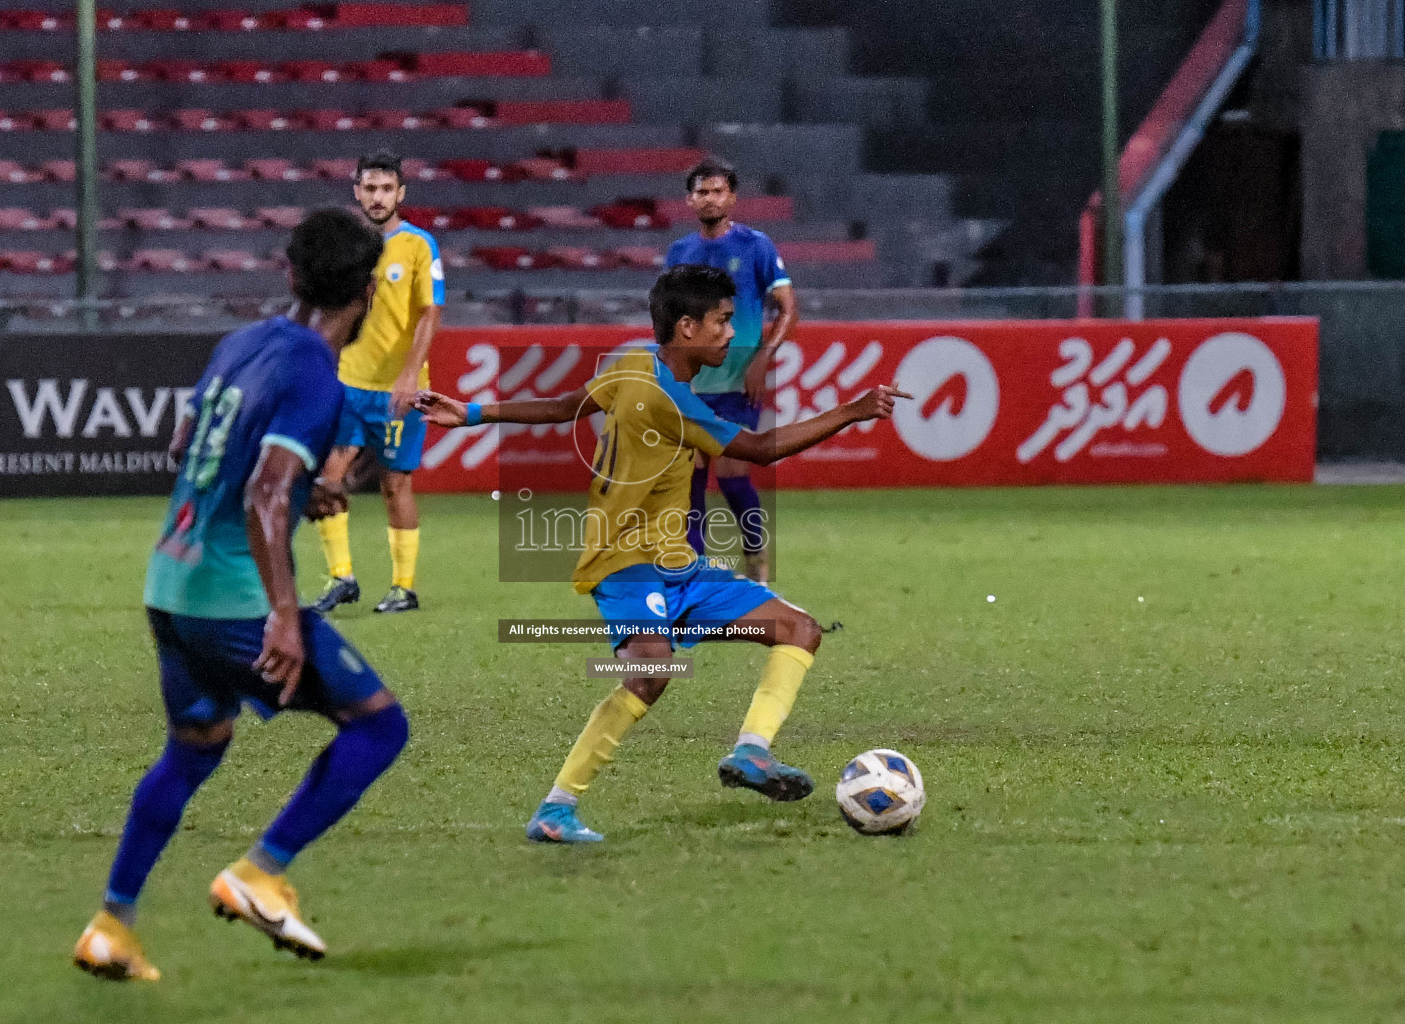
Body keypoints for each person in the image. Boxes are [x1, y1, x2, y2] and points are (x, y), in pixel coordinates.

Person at [415, 265, 908, 843]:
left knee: (799, 630)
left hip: (681, 566)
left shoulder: (629, 362)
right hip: (624, 563)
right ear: (686, 327)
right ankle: (556, 808)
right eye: (723, 322)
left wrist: (473, 413)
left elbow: (569, 405)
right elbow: (757, 448)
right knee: (652, 670)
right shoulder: (672, 402)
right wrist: (850, 411)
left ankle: (751, 753)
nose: (731, 334)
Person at [73, 209, 410, 981]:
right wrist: (286, 615)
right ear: (365, 293)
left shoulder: (242, 343)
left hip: (170, 580)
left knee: (196, 748)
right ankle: (261, 871)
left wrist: (304, 496)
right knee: (377, 728)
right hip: (234, 598)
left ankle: (111, 925)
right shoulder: (315, 373)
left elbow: (186, 445)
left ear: (289, 274)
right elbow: (264, 491)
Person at [311, 149, 445, 615]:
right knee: (329, 476)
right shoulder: (345, 248)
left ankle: (403, 587)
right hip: (348, 383)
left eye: (386, 188)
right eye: (369, 188)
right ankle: (341, 576)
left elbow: (431, 312)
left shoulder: (418, 245)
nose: (377, 197)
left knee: (395, 485)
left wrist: (410, 375)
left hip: (397, 389)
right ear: (357, 192)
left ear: (400, 194)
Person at [665, 157, 798, 582]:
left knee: (733, 473)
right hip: (692, 382)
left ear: (732, 198)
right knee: (692, 479)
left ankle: (756, 561)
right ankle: (695, 574)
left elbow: (788, 307)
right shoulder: (680, 252)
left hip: (739, 380)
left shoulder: (756, 245)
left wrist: (763, 357)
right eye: (702, 192)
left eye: (718, 191)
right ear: (690, 199)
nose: (710, 198)